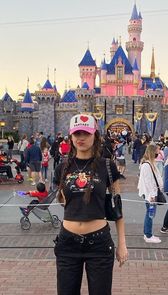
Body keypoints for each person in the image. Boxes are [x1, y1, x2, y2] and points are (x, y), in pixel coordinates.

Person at [53, 113, 128, 295]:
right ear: (71, 136)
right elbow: (63, 199)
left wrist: (122, 243)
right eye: (77, 133)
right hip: (67, 242)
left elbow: (117, 207)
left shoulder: (108, 166)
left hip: (99, 244)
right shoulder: (62, 168)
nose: (81, 138)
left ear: (95, 135)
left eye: (86, 133)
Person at [138, 144, 163, 243]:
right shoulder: (146, 165)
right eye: (157, 151)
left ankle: (147, 233)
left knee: (150, 213)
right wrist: (152, 196)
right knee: (150, 213)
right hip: (151, 194)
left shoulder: (150, 163)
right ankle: (148, 235)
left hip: (152, 193)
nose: (159, 153)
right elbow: (148, 182)